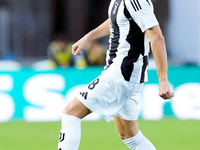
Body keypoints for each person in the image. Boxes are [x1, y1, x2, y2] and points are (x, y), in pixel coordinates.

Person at [57, 0, 174, 149]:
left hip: (121, 74)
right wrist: (88, 37)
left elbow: (157, 37)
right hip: (124, 75)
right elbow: (116, 20)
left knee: (70, 114)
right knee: (130, 137)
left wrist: (163, 80)